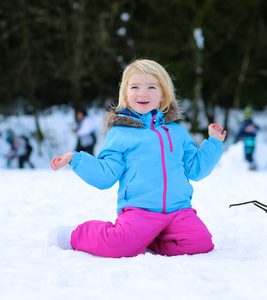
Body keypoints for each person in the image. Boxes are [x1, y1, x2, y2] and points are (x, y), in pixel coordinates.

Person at [48, 59, 227, 258]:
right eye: (135, 87)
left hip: (178, 211)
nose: (143, 93)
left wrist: (213, 143)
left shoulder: (178, 133)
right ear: (125, 94)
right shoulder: (120, 134)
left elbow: (196, 170)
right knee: (120, 246)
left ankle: (150, 240)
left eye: (151, 87)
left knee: (200, 243)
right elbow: (106, 175)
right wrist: (76, 159)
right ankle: (75, 235)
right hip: (140, 210)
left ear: (163, 95)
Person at [235, 106, 259, 170]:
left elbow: (239, 133)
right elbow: (257, 129)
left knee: (247, 155)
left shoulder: (244, 125)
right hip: (253, 142)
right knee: (251, 154)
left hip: (247, 142)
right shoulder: (253, 124)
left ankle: (250, 166)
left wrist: (236, 139)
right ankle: (252, 165)